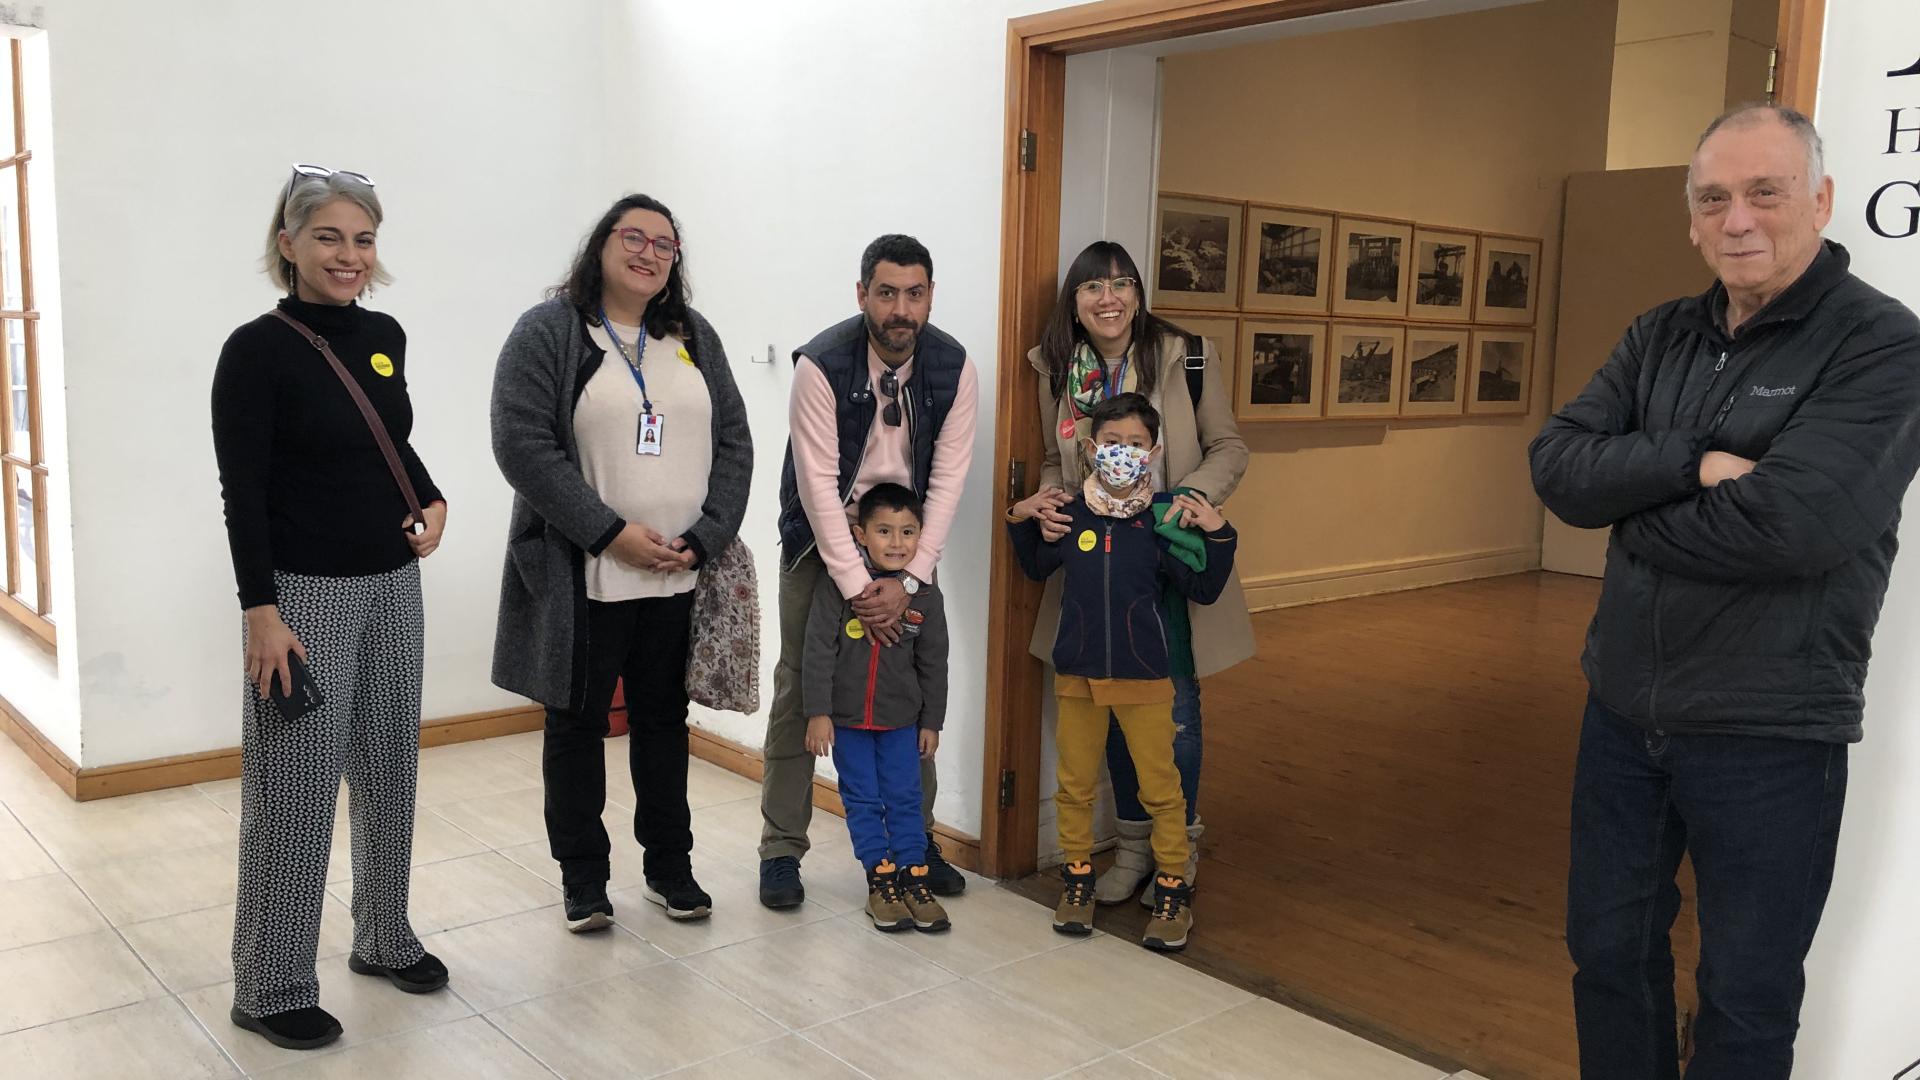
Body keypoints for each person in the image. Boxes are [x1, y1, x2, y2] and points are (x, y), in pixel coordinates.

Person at [1530, 104, 1920, 1078]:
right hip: (1623, 712)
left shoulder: (1883, 346)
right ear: (1692, 219)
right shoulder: (1658, 335)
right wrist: (1695, 461)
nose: (1737, 218)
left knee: (1746, 997)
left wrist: (1630, 503)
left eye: (1765, 192)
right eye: (1714, 198)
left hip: (1770, 733)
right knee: (1608, 956)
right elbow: (1559, 467)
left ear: (1821, 201)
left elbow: (1794, 525)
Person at [212, 164, 449, 1051]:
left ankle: (384, 935)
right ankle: (269, 982)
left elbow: (390, 443)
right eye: (329, 237)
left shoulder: (383, 334)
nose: (349, 255)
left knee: (390, 768)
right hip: (303, 597)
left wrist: (434, 499)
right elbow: (245, 490)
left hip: (394, 581)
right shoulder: (256, 350)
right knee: (295, 789)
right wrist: (260, 611)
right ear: (288, 244)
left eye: (363, 239)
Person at [490, 194, 752, 934]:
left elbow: (734, 440)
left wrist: (704, 536)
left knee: (665, 721)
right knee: (575, 724)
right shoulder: (550, 332)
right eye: (631, 237)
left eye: (664, 244)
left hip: (679, 572)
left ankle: (670, 868)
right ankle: (584, 880)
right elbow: (521, 444)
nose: (647, 252)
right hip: (587, 573)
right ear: (600, 246)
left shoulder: (693, 335)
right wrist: (608, 533)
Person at [1023, 240, 1252, 907]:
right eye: (1093, 287)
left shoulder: (1187, 354)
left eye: (1122, 283)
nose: (1109, 298)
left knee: (1173, 710)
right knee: (1110, 702)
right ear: (1075, 301)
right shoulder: (1057, 368)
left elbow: (1228, 446)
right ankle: (1129, 849)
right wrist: (1047, 502)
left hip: (1162, 556)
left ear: (1138, 294)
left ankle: (1176, 856)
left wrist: (1187, 502)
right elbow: (1050, 457)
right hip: (1095, 563)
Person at [760, 234, 978, 909]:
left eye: (915, 293)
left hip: (908, 551)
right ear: (862, 296)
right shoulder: (820, 364)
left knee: (911, 692)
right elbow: (819, 487)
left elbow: (948, 480)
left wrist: (908, 579)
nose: (901, 309)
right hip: (823, 546)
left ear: (930, 296)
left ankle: (916, 849)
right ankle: (780, 851)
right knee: (804, 687)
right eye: (887, 293)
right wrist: (858, 588)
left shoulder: (953, 366)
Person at [1008, 393, 1237, 952]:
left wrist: (1219, 533)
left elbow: (1203, 588)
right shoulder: (1072, 514)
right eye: (1112, 444)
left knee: (1163, 790)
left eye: (1136, 444)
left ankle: (1172, 891)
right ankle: (1078, 883)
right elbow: (1036, 565)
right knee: (1075, 786)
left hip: (1144, 678)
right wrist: (1021, 514)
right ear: (1091, 449)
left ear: (1153, 452)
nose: (1123, 453)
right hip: (1079, 674)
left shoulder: (1163, 520)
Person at [802, 483, 951, 934]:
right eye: (884, 531)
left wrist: (932, 722)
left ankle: (914, 876)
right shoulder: (838, 587)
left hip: (902, 724)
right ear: (860, 534)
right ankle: (880, 878)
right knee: (863, 799)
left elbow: (934, 664)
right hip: (847, 723)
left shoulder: (924, 596)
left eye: (908, 532)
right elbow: (817, 651)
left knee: (907, 797)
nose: (897, 542)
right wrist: (818, 712)